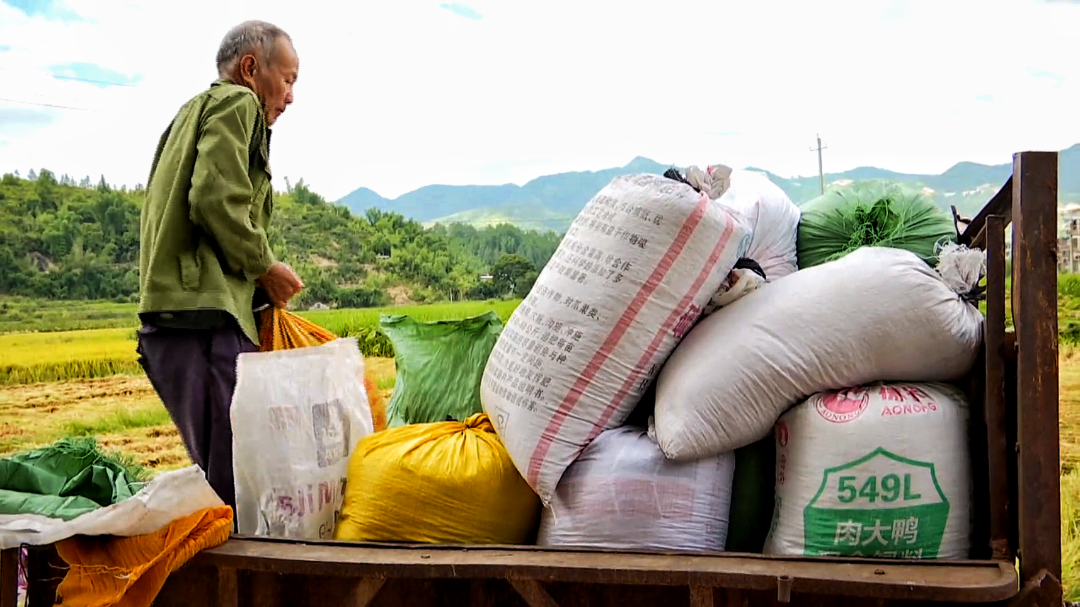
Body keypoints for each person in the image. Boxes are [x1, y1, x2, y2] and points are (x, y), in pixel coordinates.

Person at [136, 20, 303, 513]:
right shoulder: (238, 102)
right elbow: (214, 198)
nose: (291, 97)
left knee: (222, 474)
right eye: (288, 79)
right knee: (237, 482)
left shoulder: (190, 112)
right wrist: (265, 267)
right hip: (207, 319)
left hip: (178, 317)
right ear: (251, 69)